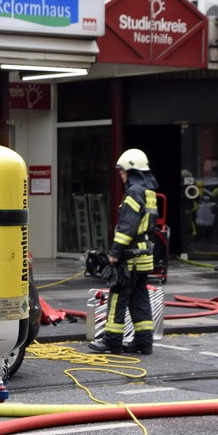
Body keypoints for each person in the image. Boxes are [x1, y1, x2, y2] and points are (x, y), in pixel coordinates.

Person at [88, 148, 159, 355]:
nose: (120, 175)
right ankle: (144, 342)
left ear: (132, 170)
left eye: (122, 171)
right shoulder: (150, 191)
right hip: (144, 256)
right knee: (140, 298)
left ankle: (111, 341)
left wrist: (115, 252)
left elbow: (127, 225)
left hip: (130, 257)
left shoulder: (134, 192)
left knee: (117, 298)